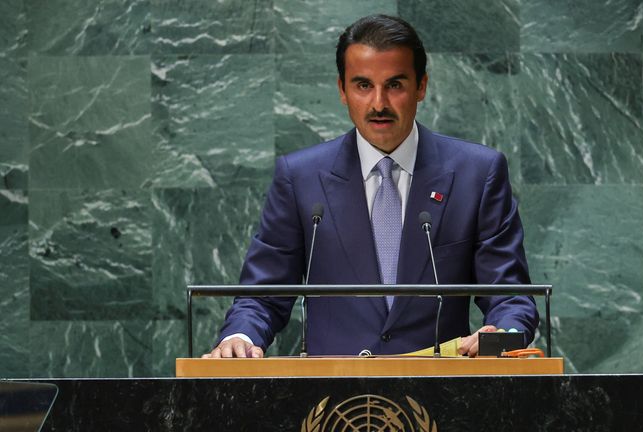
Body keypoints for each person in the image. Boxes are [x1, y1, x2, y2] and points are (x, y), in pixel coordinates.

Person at [205, 14, 537, 359]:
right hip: (330, 402)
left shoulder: (477, 174)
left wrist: (504, 337)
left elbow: (510, 296)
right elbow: (263, 293)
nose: (379, 103)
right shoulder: (299, 177)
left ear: (421, 86)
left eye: (395, 85)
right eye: (363, 85)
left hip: (439, 396)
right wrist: (241, 336)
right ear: (342, 90)